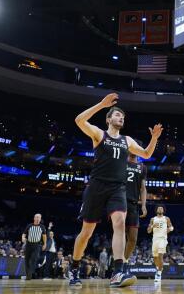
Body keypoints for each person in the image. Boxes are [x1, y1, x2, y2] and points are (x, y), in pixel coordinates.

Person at [70, 93, 162, 288]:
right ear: (109, 119)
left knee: (119, 223)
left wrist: (153, 138)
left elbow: (146, 153)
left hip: (117, 188)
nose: (121, 118)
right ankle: (74, 267)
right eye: (117, 115)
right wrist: (101, 105)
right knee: (86, 232)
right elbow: (79, 120)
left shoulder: (127, 140)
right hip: (96, 186)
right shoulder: (99, 134)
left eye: (123, 116)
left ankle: (118, 271)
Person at [124, 151, 148, 273]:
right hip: (120, 202)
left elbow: (143, 188)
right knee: (120, 235)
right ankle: (118, 265)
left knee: (133, 238)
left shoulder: (142, 167)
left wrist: (143, 205)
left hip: (133, 205)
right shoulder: (121, 163)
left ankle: (124, 261)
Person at [147, 206, 174, 284]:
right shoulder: (152, 219)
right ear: (156, 210)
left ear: (163, 210)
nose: (160, 209)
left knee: (160, 255)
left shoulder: (166, 218)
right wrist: (152, 226)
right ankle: (159, 268)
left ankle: (158, 274)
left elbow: (171, 227)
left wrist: (168, 230)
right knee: (155, 258)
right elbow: (148, 231)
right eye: (159, 208)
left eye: (161, 208)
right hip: (155, 239)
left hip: (163, 239)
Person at [21, 213, 47, 281]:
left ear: (40, 219)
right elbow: (24, 234)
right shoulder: (29, 226)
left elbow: (44, 236)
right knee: (27, 260)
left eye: (39, 218)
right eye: (37, 217)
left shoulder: (42, 227)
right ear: (34, 218)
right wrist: (23, 238)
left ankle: (30, 273)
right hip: (28, 244)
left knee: (33, 259)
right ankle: (28, 275)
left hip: (37, 245)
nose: (38, 219)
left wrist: (45, 244)